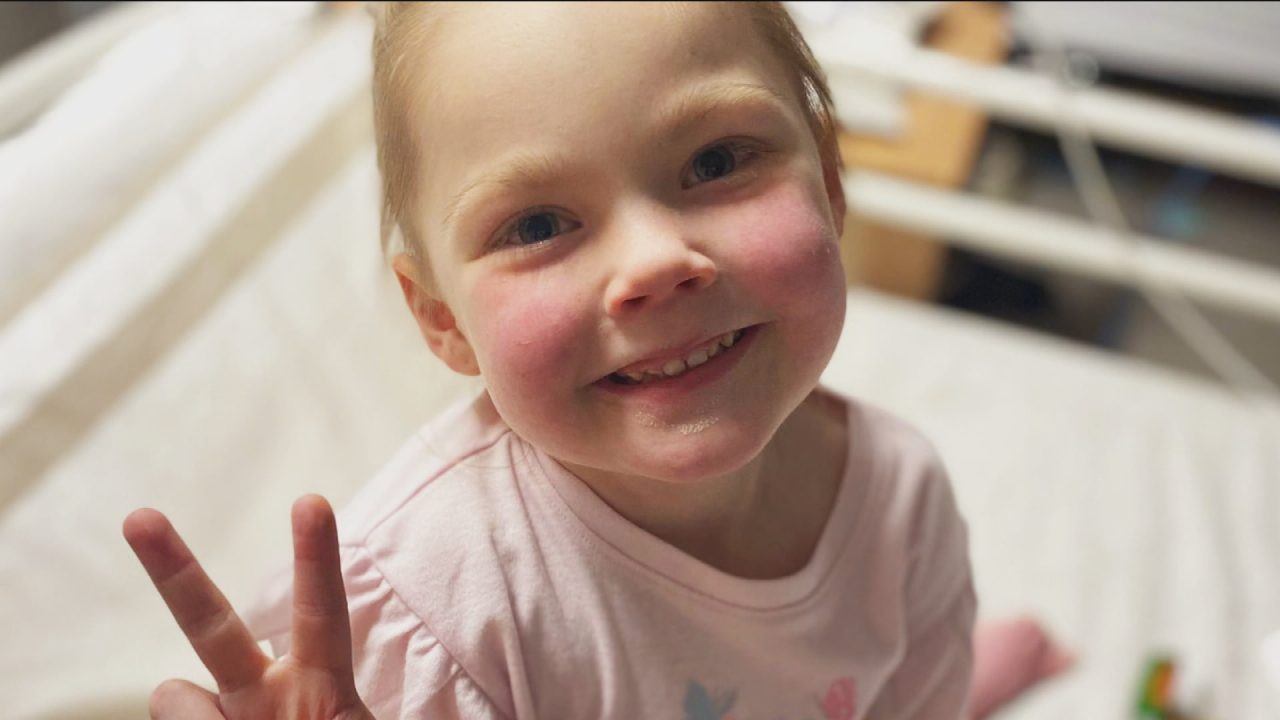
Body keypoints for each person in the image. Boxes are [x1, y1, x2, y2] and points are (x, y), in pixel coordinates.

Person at [123, 3, 1072, 718]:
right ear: (443, 319)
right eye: (538, 224)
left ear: (828, 183)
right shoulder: (438, 611)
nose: (655, 262)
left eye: (716, 162)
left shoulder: (899, 500)